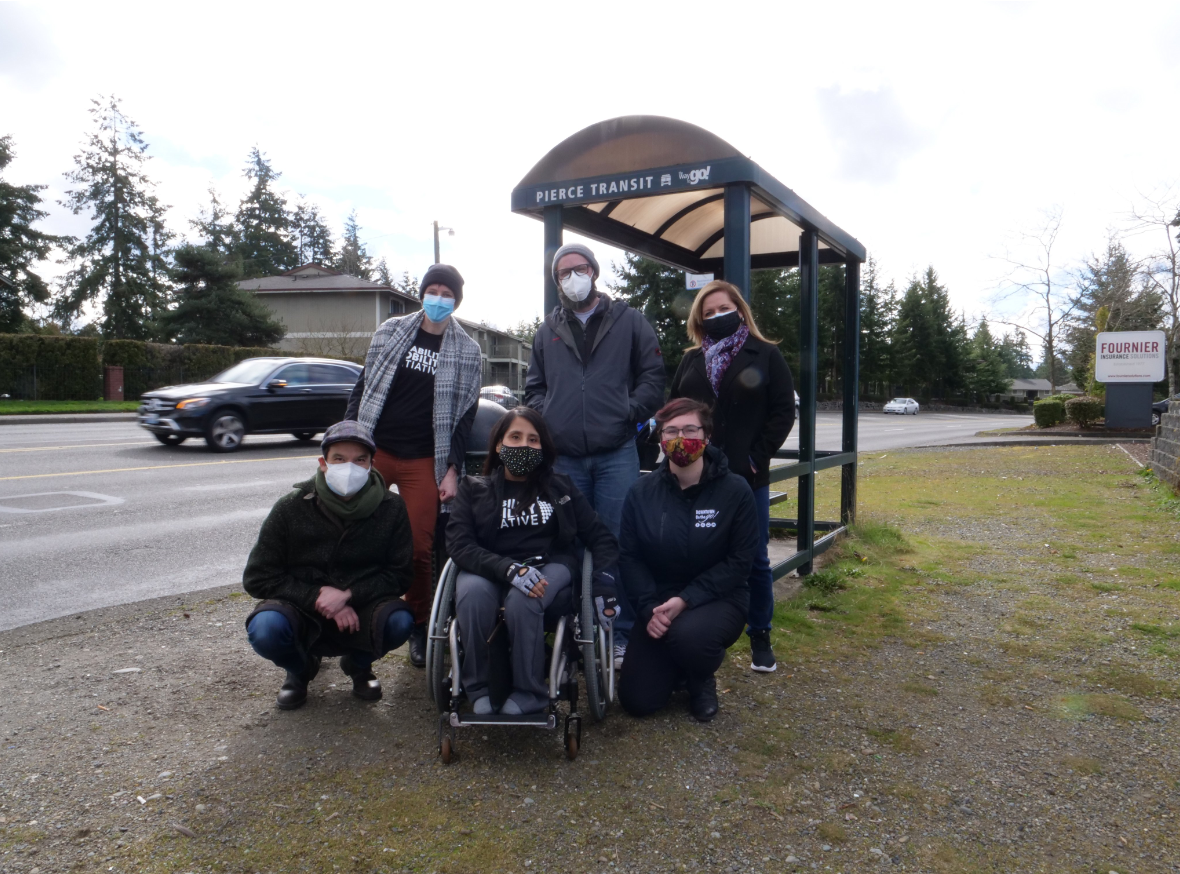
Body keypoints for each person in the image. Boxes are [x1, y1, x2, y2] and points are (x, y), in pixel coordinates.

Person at [524, 242, 665, 669]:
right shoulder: (546, 331)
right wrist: (547, 419)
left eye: (578, 268)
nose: (571, 277)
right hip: (564, 458)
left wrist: (629, 414)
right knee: (568, 543)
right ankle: (574, 634)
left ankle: (617, 634)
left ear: (595, 271)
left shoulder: (630, 321)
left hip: (615, 453)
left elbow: (653, 376)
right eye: (562, 273)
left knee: (616, 542)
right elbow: (534, 388)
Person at [345, 263, 483, 668]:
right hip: (376, 449)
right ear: (422, 293)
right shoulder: (390, 331)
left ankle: (419, 626)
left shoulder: (468, 351)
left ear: (456, 300)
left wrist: (453, 468)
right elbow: (364, 385)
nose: (438, 298)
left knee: (420, 549)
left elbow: (465, 418)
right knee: (352, 536)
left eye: (447, 292)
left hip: (425, 457)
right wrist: (349, 440)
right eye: (432, 290)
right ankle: (349, 623)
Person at [446, 407, 619, 715]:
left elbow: (600, 537)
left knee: (526, 596)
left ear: (543, 448)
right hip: (490, 568)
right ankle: (477, 686)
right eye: (515, 437)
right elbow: (460, 545)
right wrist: (509, 569)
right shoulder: (473, 488)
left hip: (548, 566)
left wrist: (604, 584)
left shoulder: (560, 487)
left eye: (533, 439)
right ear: (499, 445)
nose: (524, 445)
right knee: (471, 596)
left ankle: (530, 691)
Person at [243, 421, 415, 710]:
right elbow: (258, 577)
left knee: (400, 621)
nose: (350, 467)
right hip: (300, 605)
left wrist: (349, 595)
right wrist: (317, 596)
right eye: (339, 459)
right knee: (266, 629)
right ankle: (299, 670)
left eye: (360, 459)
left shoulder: (391, 507)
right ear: (324, 463)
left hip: (363, 604)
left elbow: (400, 574)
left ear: (371, 464)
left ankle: (359, 665)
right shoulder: (291, 506)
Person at [669, 280, 795, 673]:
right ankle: (691, 628)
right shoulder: (691, 359)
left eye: (722, 308)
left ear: (739, 309)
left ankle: (760, 633)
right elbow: (673, 409)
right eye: (707, 312)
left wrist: (756, 459)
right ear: (698, 320)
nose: (715, 315)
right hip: (693, 474)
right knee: (689, 552)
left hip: (745, 477)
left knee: (754, 557)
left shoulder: (766, 353)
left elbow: (782, 412)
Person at [617, 398, 757, 722]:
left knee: (690, 637)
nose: (681, 438)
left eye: (690, 429)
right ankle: (676, 668)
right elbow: (630, 557)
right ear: (661, 439)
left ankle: (700, 678)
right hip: (659, 602)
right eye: (671, 431)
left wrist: (686, 599)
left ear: (707, 436)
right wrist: (648, 608)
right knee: (638, 702)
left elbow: (740, 562)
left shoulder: (735, 491)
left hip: (719, 598)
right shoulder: (641, 492)